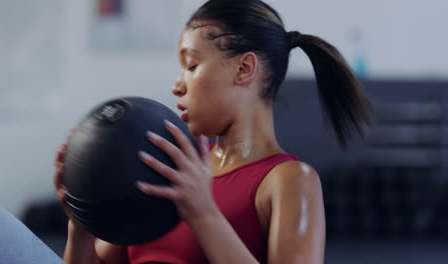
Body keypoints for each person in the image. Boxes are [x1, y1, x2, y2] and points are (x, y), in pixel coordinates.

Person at [57, 0, 371, 263]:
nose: (177, 85)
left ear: (244, 68)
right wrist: (82, 222)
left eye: (191, 66)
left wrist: (202, 214)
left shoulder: (288, 180)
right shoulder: (172, 165)